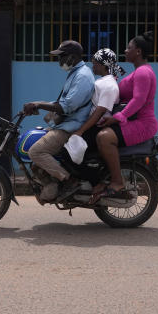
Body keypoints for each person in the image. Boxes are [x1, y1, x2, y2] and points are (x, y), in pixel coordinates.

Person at [22, 40, 95, 203]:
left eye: (62, 56)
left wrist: (38, 104)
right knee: (34, 155)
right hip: (64, 124)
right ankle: (53, 186)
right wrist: (38, 105)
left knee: (36, 152)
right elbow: (63, 103)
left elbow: (67, 106)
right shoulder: (75, 73)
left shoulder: (82, 76)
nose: (59, 61)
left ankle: (69, 181)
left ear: (73, 57)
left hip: (70, 128)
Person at [90, 31, 158, 203]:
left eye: (129, 48)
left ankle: (117, 182)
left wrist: (118, 117)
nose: (125, 51)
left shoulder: (143, 72)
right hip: (133, 120)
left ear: (138, 52)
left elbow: (139, 100)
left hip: (143, 123)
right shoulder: (139, 71)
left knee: (104, 138)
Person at [72, 48, 124, 153]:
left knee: (68, 153)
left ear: (103, 65)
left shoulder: (109, 85)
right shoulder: (103, 81)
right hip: (91, 125)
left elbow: (100, 111)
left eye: (94, 63)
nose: (92, 66)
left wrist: (81, 131)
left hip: (96, 128)